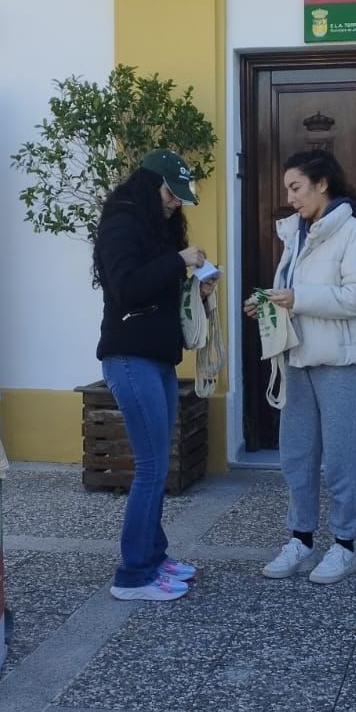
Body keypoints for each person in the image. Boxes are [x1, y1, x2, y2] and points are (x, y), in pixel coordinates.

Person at [245, 150, 356, 585]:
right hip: (297, 358)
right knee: (297, 455)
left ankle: (344, 545)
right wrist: (270, 303)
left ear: (322, 184)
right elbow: (295, 294)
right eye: (288, 189)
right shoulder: (296, 235)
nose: (290, 197)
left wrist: (297, 298)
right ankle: (300, 539)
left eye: (296, 187)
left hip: (341, 362)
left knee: (340, 457)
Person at [94, 149, 218, 601]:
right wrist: (178, 260)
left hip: (157, 358)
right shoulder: (122, 223)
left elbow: (158, 294)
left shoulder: (155, 227)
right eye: (171, 193)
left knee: (157, 464)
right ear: (150, 185)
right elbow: (127, 288)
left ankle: (155, 557)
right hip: (130, 359)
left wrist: (196, 290)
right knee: (150, 468)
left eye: (181, 196)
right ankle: (133, 575)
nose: (176, 202)